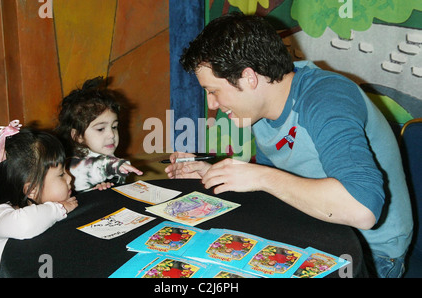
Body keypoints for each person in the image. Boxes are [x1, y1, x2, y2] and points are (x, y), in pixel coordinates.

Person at [165, 12, 413, 278]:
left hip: (372, 254)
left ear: (249, 77)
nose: (212, 104)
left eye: (213, 91)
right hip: (317, 231)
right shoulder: (258, 112)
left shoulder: (326, 97)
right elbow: (279, 189)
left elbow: (362, 209)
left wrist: (260, 176)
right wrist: (214, 174)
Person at [0, 121, 78, 278]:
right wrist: (59, 209)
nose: (70, 178)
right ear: (31, 190)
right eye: (61, 174)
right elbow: (25, 224)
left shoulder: (32, 201)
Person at [56, 77, 143, 192]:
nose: (111, 134)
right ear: (78, 136)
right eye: (101, 129)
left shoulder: (108, 156)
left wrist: (107, 186)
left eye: (114, 127)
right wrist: (112, 166)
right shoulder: (71, 164)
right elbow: (87, 171)